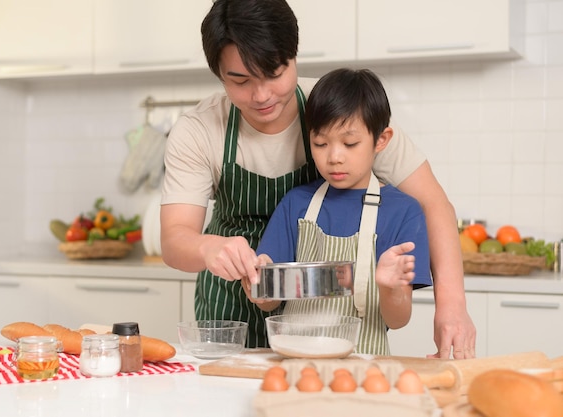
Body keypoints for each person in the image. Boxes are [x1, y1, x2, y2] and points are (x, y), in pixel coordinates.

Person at [161, 0, 475, 357]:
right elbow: (174, 240)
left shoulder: (337, 110)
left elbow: (433, 203)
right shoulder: (199, 129)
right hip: (232, 312)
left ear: (294, 56)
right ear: (220, 74)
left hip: (329, 331)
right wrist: (209, 247)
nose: (262, 95)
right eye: (241, 81)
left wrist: (451, 306)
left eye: (274, 73)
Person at [243, 68, 432, 355]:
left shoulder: (403, 212)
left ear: (381, 140)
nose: (334, 157)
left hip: (364, 371)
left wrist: (390, 288)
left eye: (350, 143)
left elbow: (399, 319)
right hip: (296, 364)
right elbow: (270, 302)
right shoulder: (296, 204)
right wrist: (259, 287)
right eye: (320, 143)